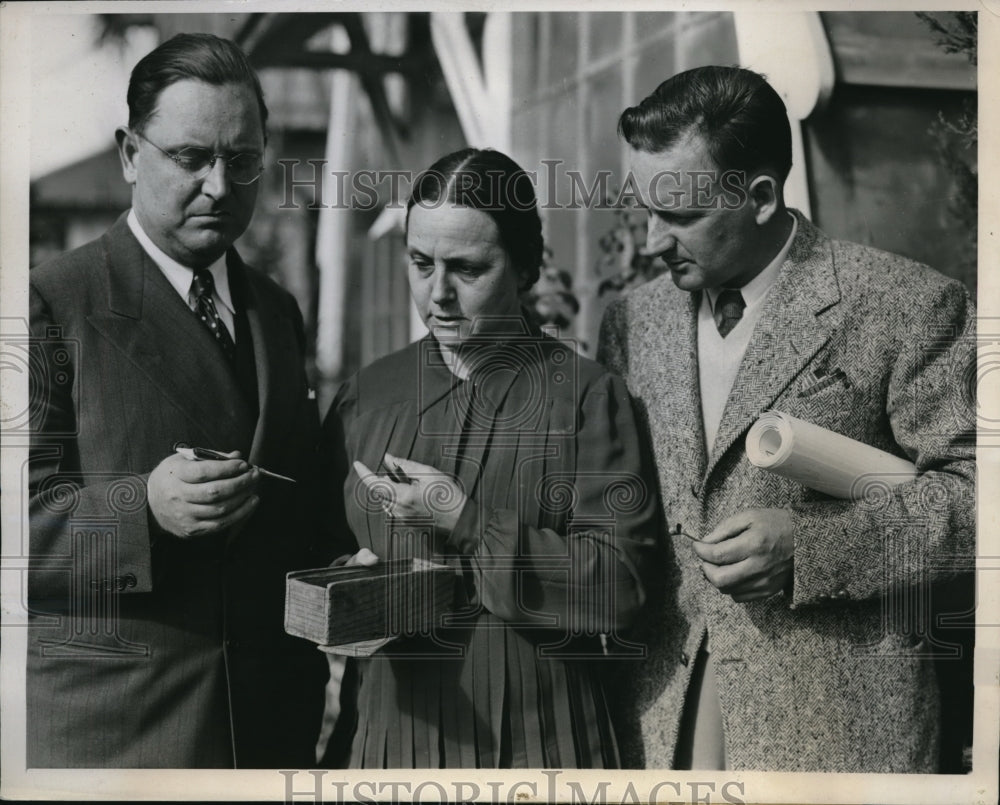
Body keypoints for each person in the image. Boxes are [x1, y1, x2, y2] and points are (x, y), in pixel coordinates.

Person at [598, 66, 975, 773]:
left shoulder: (907, 304)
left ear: (762, 196)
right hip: (657, 717)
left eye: (679, 216)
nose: (651, 240)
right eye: (645, 208)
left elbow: (977, 499)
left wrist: (814, 550)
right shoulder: (631, 320)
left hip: (833, 731)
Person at [28, 33, 328, 767]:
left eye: (243, 160)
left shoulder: (276, 310)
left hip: (266, 725)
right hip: (123, 734)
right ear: (131, 154)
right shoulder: (49, 303)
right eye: (191, 158)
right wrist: (145, 509)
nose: (221, 187)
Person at [320, 147, 659, 768]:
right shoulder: (367, 397)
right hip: (394, 741)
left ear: (526, 268)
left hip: (544, 742)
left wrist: (471, 523)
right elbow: (314, 550)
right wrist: (351, 579)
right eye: (420, 264)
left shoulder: (583, 397)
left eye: (467, 269)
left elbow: (622, 585)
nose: (438, 293)